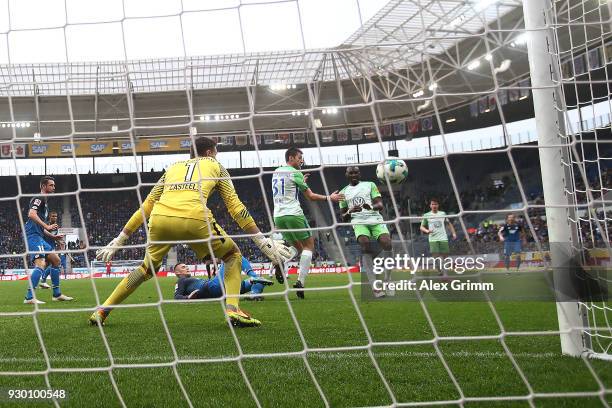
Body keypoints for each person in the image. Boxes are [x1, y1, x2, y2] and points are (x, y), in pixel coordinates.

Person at [91, 136, 292, 327]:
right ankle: (233, 309)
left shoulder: (172, 168)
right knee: (233, 256)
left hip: (160, 220)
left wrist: (121, 238)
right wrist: (262, 241)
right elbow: (236, 207)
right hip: (195, 220)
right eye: (215, 153)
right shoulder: (216, 166)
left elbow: (147, 205)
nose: (216, 157)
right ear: (208, 152)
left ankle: (102, 310)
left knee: (145, 270)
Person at [272, 147, 343, 298]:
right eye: (299, 157)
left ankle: (279, 260)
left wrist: (300, 182)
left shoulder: (277, 171)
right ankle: (300, 282)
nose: (301, 160)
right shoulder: (295, 172)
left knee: (297, 248)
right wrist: (329, 198)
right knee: (309, 245)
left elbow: (287, 188)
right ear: (291, 158)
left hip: (278, 216)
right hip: (293, 214)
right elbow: (310, 196)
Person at [339, 166, 394, 297]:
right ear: (346, 174)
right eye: (351, 173)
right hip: (358, 222)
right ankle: (375, 286)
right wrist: (350, 211)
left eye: (356, 172)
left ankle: (388, 278)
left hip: (375, 219)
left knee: (387, 243)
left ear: (359, 174)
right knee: (365, 244)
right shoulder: (343, 193)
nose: (354, 175)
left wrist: (370, 206)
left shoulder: (370, 185)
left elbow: (380, 205)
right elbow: (343, 217)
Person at [23, 176, 73, 304]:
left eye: (54, 185)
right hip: (33, 236)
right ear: (44, 186)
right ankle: (29, 297)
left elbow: (40, 226)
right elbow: (31, 214)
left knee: (56, 260)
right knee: (40, 263)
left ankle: (57, 294)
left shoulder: (45, 203)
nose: (54, 187)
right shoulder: (38, 198)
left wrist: (53, 236)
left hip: (39, 236)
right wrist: (48, 226)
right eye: (51, 185)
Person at [173, 258, 273, 301]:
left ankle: (254, 293)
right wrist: (188, 298)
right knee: (233, 256)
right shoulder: (181, 281)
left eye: (186, 266)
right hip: (212, 287)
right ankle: (253, 276)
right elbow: (177, 296)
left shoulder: (192, 279)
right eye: (183, 267)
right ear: (177, 273)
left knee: (259, 282)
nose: (186, 268)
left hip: (221, 290)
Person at [420, 198, 457, 276]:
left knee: (445, 256)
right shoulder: (426, 215)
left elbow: (449, 224)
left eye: (435, 204)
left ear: (438, 205)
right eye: (432, 204)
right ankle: (439, 270)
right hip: (433, 238)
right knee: (435, 256)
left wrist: (453, 233)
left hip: (443, 237)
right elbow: (421, 227)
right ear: (430, 206)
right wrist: (427, 231)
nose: (434, 206)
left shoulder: (443, 213)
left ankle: (445, 273)